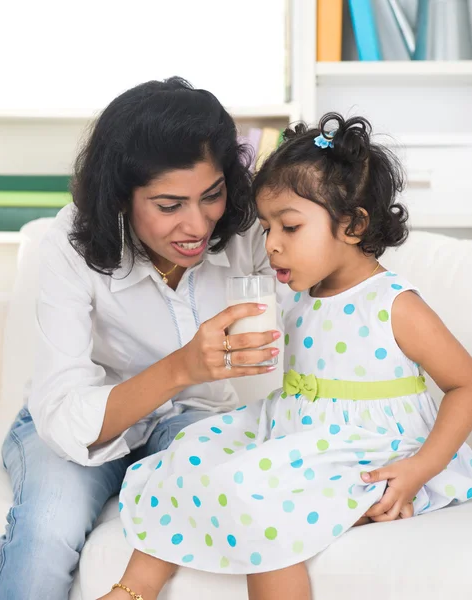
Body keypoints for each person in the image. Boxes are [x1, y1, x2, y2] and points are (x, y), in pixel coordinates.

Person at [109, 113, 472, 600]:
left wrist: (421, 468)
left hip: (369, 446)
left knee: (250, 488)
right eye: (265, 227)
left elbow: (464, 385)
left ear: (353, 224)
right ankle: (132, 591)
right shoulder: (296, 297)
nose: (272, 244)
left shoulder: (394, 304)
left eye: (290, 227)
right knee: (190, 452)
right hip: (295, 429)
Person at [0, 77, 281, 600]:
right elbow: (62, 415)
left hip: (195, 421)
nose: (197, 224)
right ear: (122, 198)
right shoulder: (71, 245)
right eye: (169, 205)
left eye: (211, 195)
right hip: (81, 421)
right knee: (48, 528)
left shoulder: (251, 231)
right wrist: (181, 368)